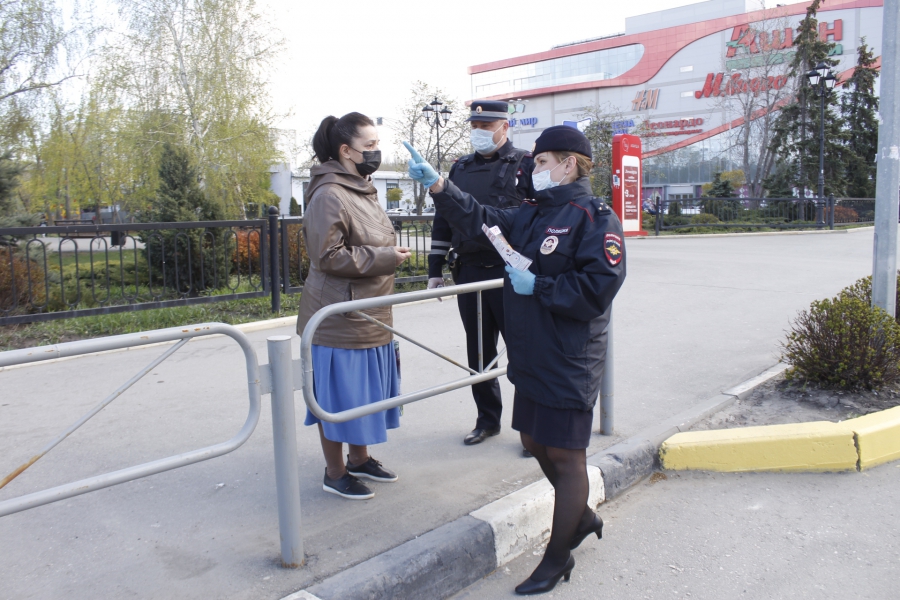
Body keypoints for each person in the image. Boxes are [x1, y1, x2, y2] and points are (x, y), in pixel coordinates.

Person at [405, 125, 626, 595]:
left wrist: (540, 287)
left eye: (542, 162)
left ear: (568, 164)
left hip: (569, 357)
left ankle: (557, 557)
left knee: (567, 459)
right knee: (533, 438)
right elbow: (480, 218)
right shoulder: (532, 213)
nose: (534, 169)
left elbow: (598, 288)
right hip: (531, 354)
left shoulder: (594, 216)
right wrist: (440, 186)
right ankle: (580, 516)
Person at [297, 112, 412, 500]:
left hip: (369, 310)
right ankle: (335, 471)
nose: (377, 153)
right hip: (338, 316)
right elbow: (326, 255)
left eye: (378, 144)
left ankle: (360, 459)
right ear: (346, 151)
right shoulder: (329, 193)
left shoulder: (361, 185)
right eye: (371, 146)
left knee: (362, 396)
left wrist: (383, 256)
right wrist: (384, 258)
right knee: (335, 400)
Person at [427, 99, 535, 449]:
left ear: (505, 127)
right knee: (479, 354)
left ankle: (531, 429)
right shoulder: (459, 169)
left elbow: (538, 220)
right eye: (475, 126)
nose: (479, 133)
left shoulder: (527, 165)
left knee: (523, 352)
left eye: (487, 127)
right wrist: (434, 269)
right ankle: (487, 420)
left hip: (511, 274)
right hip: (470, 271)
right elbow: (444, 218)